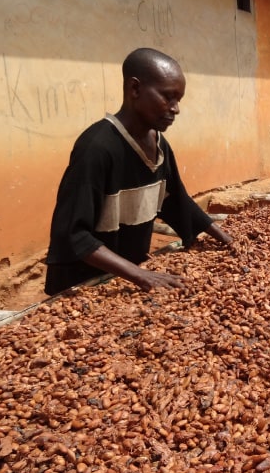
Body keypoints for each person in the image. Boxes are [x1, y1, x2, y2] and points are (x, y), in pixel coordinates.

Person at [44, 48, 234, 295]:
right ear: (135, 89)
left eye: (179, 100)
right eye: (168, 97)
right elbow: (73, 234)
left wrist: (226, 239)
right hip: (85, 283)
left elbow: (174, 200)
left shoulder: (159, 144)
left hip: (128, 276)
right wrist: (140, 275)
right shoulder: (96, 149)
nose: (176, 109)